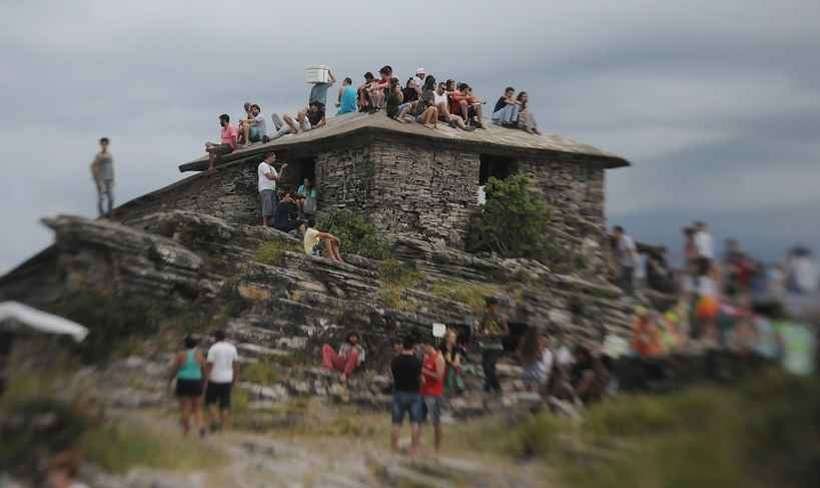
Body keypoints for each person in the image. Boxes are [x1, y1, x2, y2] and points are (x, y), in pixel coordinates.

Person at [391, 335, 423, 456]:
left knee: (396, 423)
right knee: (415, 422)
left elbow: (394, 375)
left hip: (399, 392)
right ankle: (414, 448)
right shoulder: (417, 361)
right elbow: (420, 378)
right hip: (414, 393)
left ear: (403, 346)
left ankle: (394, 447)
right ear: (413, 347)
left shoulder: (395, 360)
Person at [168, 335, 206, 437]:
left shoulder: (181, 354)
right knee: (197, 407)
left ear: (185, 344)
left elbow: (174, 369)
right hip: (196, 381)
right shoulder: (199, 354)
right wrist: (204, 382)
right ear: (196, 344)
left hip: (184, 381)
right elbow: (204, 369)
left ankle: (186, 430)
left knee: (185, 407)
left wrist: (170, 380)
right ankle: (201, 426)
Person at [205, 330, 239, 431]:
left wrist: (206, 378)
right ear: (225, 337)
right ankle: (222, 426)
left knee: (210, 401)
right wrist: (235, 379)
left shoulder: (213, 348)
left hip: (214, 379)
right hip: (227, 379)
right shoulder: (232, 348)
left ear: (215, 337)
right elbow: (236, 365)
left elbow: (209, 364)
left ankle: (215, 419)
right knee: (225, 403)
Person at [478, 296, 507, 394]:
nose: (493, 307)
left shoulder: (500, 317)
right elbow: (479, 330)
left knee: (488, 366)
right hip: (485, 345)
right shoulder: (484, 316)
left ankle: (496, 387)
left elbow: (506, 332)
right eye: (491, 306)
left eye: (494, 305)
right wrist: (481, 333)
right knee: (486, 368)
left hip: (496, 346)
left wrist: (496, 334)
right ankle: (488, 386)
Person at [421, 337, 446, 452]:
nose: (422, 349)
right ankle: (419, 445)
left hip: (435, 394)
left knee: (436, 422)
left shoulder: (439, 358)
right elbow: (424, 375)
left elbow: (439, 376)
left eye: (423, 346)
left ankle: (438, 448)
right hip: (423, 392)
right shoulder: (426, 358)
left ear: (429, 346)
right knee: (418, 420)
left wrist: (424, 371)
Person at [517, 327, 554, 394]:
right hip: (536, 368)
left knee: (527, 387)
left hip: (527, 368)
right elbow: (540, 357)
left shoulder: (524, 342)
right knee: (534, 389)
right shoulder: (537, 343)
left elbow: (520, 354)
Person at [258, 154, 286, 226]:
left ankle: (272, 224)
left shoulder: (272, 168)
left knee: (273, 206)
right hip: (265, 188)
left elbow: (278, 178)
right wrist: (275, 177)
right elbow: (269, 177)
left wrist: (282, 169)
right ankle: (265, 224)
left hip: (272, 189)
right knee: (266, 205)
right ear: (269, 157)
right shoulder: (263, 165)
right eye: (273, 158)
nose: (275, 159)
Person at [90, 137, 115, 218]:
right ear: (101, 145)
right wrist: (96, 179)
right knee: (101, 198)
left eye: (106, 144)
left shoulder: (110, 155)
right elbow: (93, 166)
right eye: (103, 144)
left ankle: (110, 214)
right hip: (101, 179)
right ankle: (101, 215)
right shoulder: (99, 155)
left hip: (109, 179)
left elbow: (111, 167)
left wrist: (113, 179)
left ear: (107, 144)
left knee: (111, 198)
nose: (104, 145)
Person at [613, 226, 639, 295]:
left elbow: (630, 250)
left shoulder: (626, 239)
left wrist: (634, 261)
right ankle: (627, 293)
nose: (614, 234)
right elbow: (620, 252)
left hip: (631, 262)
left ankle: (631, 294)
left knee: (627, 279)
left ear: (619, 232)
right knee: (625, 278)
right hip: (625, 263)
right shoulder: (619, 241)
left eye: (614, 232)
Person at [441, 329, 465, 395]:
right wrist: (455, 364)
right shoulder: (442, 347)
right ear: (447, 338)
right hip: (443, 364)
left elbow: (457, 358)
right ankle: (458, 386)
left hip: (452, 365)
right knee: (452, 369)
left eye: (454, 337)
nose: (454, 338)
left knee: (454, 369)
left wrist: (457, 364)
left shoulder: (456, 347)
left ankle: (452, 387)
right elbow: (447, 359)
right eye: (452, 337)